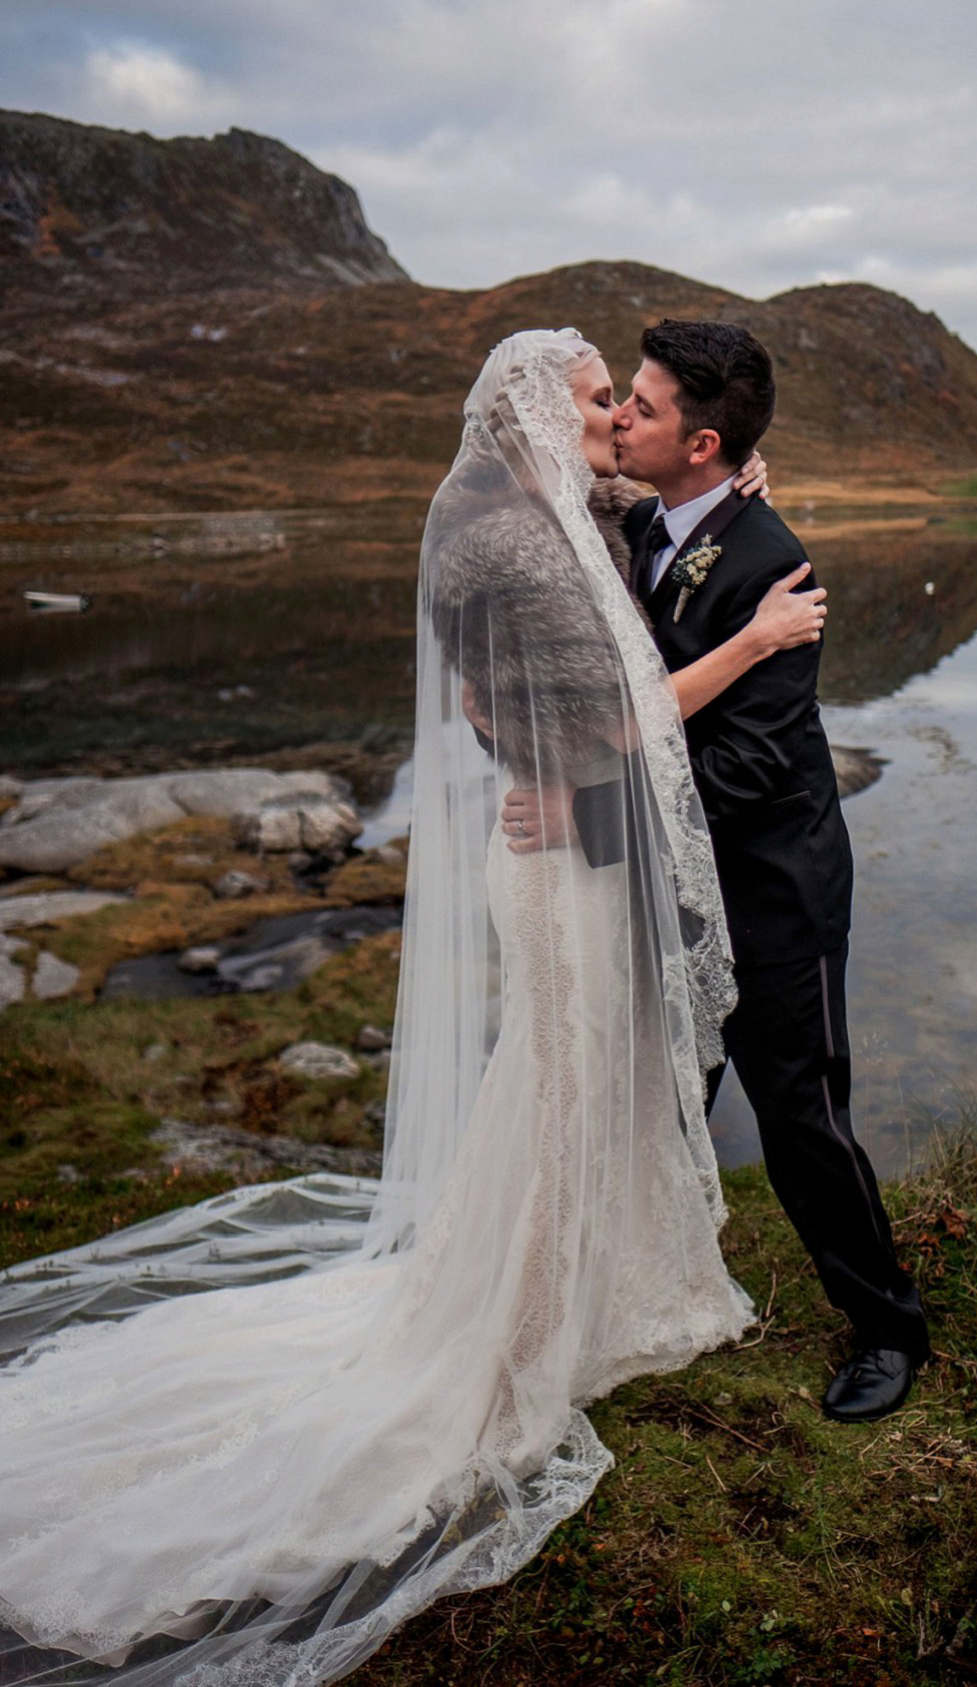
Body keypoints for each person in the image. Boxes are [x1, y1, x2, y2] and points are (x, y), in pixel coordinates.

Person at [0, 329, 825, 1687]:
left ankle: (576, 1280)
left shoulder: (509, 492)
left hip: (563, 849)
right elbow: (619, 725)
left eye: (635, 402)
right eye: (599, 401)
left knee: (565, 1081)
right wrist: (752, 635)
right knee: (563, 1083)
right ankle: (519, 1335)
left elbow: (609, 504)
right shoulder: (501, 544)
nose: (619, 418)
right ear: (536, 415)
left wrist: (716, 487)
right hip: (556, 861)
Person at [506, 319, 929, 1422]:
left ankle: (889, 1325)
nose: (620, 417)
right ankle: (646, 1286)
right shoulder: (648, 519)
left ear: (701, 445)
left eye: (640, 407)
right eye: (624, 398)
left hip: (772, 885)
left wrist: (583, 818)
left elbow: (744, 768)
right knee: (666, 1089)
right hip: (673, 881)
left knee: (798, 1110)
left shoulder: (771, 565)